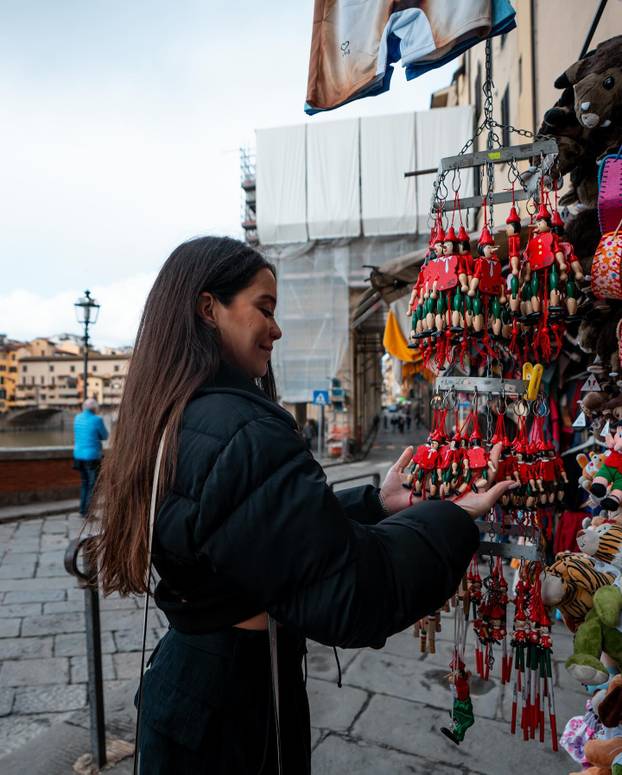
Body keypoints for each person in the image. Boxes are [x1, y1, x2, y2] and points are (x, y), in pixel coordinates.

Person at [93, 236, 515, 775]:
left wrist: (375, 505)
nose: (277, 328)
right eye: (263, 309)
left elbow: (254, 527)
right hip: (232, 710)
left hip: (186, 690)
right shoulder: (242, 430)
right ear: (208, 309)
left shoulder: (175, 415)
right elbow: (354, 595)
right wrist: (450, 518)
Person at [73, 397, 108, 517]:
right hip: (92, 457)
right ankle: (88, 512)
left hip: (78, 456)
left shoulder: (77, 418)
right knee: (93, 485)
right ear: (94, 408)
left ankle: (82, 510)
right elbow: (105, 436)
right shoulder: (97, 420)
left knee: (84, 483)